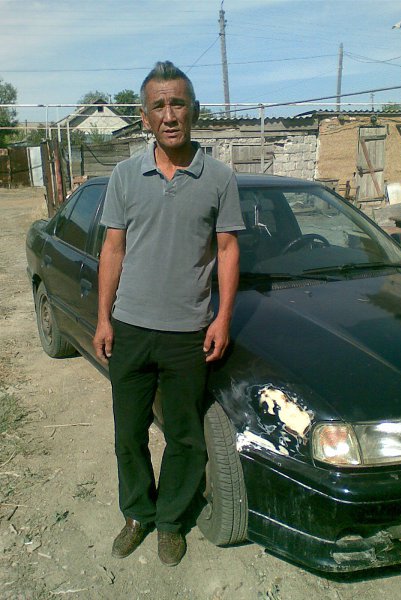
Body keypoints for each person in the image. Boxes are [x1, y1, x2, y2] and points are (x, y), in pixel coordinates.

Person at [93, 61, 245, 567]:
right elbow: (113, 250)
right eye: (158, 105)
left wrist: (222, 318)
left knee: (185, 437)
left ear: (193, 110)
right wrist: (104, 318)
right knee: (128, 433)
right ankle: (138, 513)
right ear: (145, 117)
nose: (169, 114)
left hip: (187, 333)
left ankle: (171, 521)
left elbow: (227, 250)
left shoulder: (219, 178)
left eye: (178, 103)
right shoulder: (124, 176)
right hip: (131, 329)